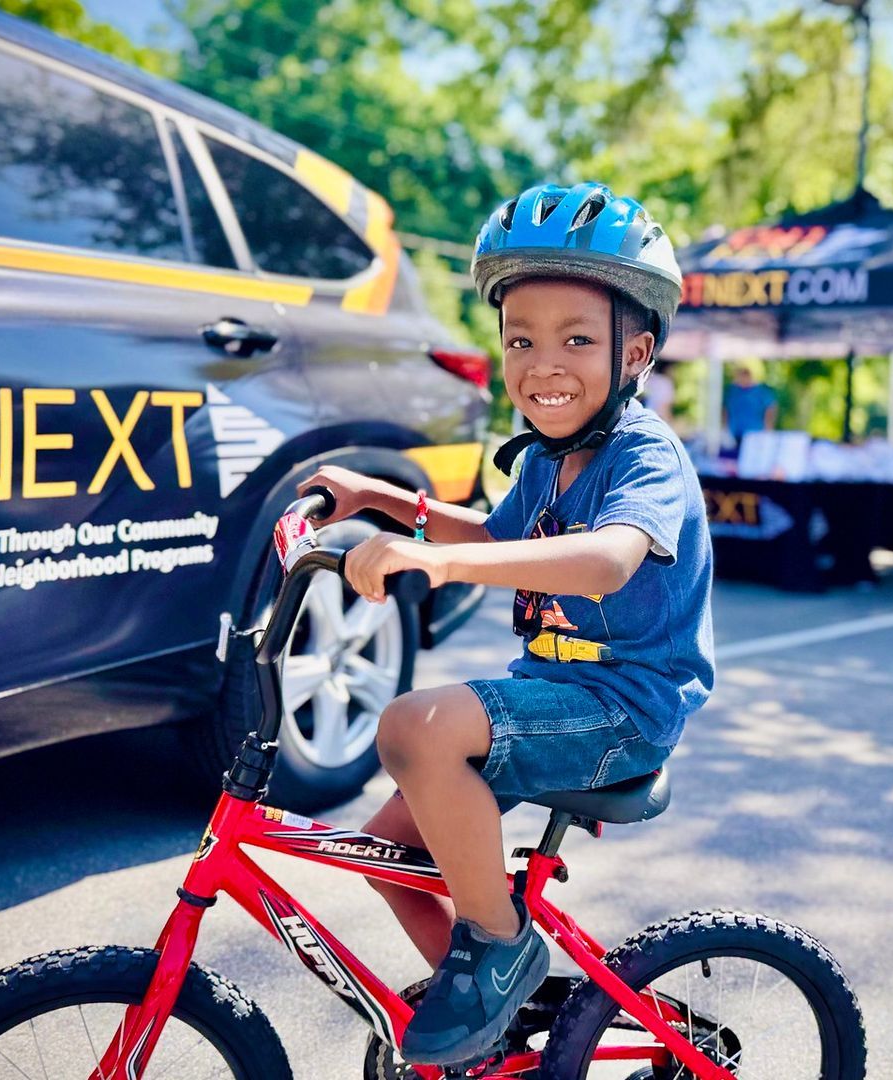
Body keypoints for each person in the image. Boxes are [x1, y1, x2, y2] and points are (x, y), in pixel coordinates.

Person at [295, 182, 714, 1068]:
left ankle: (498, 944)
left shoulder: (647, 456)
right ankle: (501, 1034)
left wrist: (436, 565)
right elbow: (492, 536)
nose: (542, 364)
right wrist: (382, 503)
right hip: (550, 696)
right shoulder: (548, 460)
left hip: (622, 708)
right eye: (521, 339)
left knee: (416, 723)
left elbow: (606, 561)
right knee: (381, 855)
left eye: (575, 339)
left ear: (635, 352)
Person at [722, 363, 777, 447]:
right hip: (735, 432)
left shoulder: (761, 391)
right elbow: (725, 409)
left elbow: (771, 408)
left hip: (755, 433)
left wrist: (768, 428)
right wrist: (725, 427)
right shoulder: (732, 391)